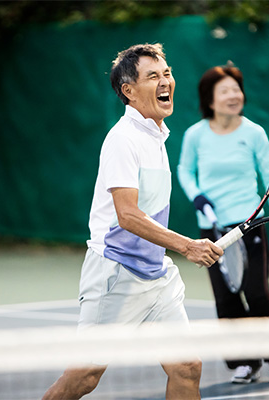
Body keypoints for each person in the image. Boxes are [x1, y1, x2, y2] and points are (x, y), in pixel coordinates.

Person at [42, 44, 223, 400]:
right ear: (128, 91)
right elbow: (126, 216)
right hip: (116, 273)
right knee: (85, 376)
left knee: (187, 367)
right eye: (152, 76)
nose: (164, 81)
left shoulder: (156, 135)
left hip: (156, 275)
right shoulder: (123, 140)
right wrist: (188, 245)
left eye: (167, 73)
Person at [177, 62, 269, 385]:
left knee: (256, 292)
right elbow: (185, 170)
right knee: (226, 298)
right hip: (212, 232)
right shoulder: (195, 135)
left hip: (250, 223)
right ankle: (244, 362)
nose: (233, 95)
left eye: (236, 89)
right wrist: (197, 196)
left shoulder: (254, 132)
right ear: (210, 100)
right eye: (224, 91)